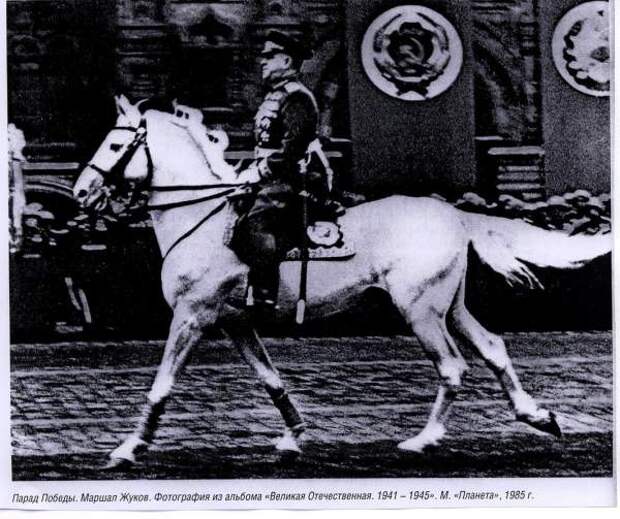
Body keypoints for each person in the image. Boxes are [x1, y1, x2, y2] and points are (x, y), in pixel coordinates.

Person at [232, 29, 329, 314]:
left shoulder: (297, 97)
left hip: (295, 178)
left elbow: (291, 149)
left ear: (286, 61)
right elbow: (265, 145)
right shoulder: (276, 95)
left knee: (257, 220)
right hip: (273, 174)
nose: (262, 61)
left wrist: (259, 172)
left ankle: (264, 295)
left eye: (269, 56)